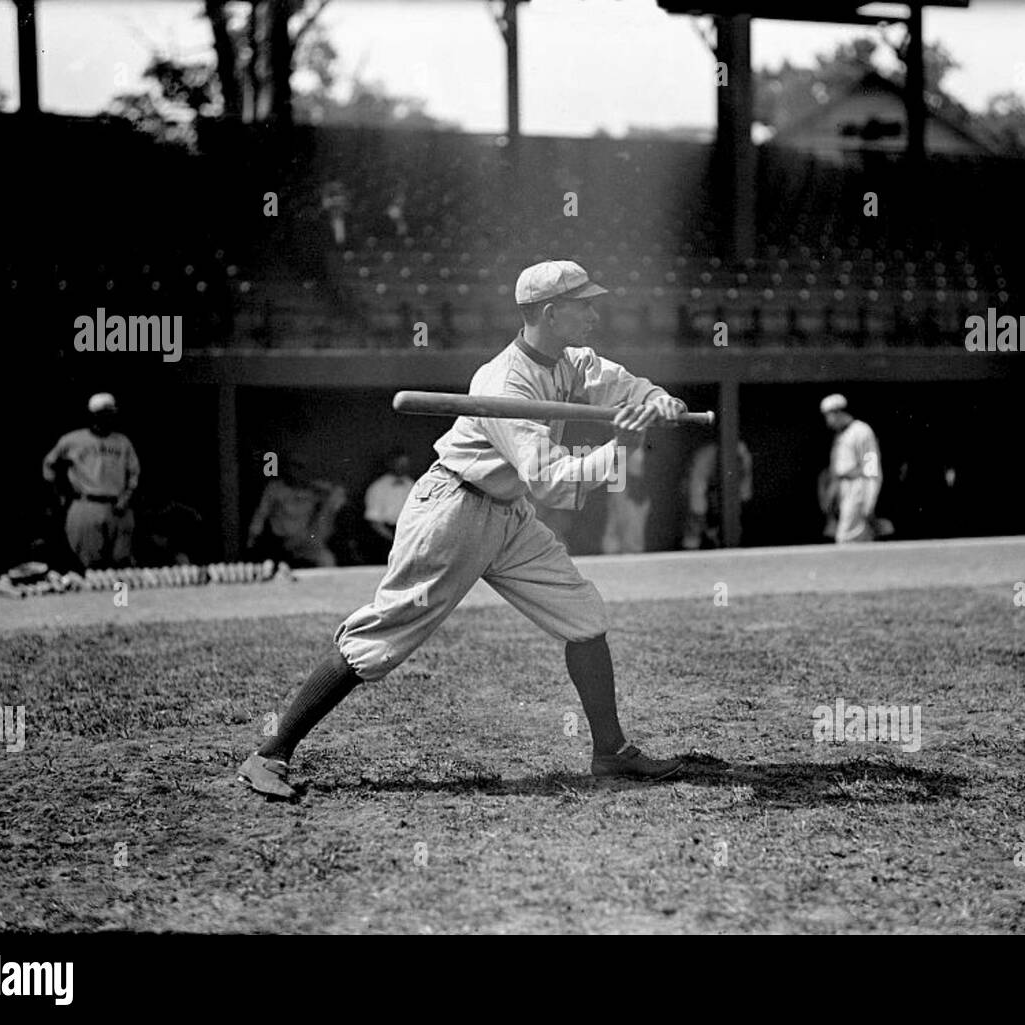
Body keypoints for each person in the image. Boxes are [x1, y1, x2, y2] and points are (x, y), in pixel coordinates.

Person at [238, 260, 691, 799]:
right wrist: (620, 447)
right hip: (454, 508)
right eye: (584, 305)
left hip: (507, 514)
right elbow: (549, 482)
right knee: (382, 637)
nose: (595, 313)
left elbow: (633, 390)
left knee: (585, 616)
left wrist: (659, 403)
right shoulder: (504, 381)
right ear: (551, 312)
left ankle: (610, 753)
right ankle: (270, 754)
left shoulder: (575, 362)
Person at [41, 393, 140, 569]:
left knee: (121, 562)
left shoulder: (123, 442)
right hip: (87, 504)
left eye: (110, 412)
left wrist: (127, 496)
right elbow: (49, 465)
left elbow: (134, 474)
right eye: (103, 413)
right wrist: (59, 494)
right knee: (88, 563)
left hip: (118, 506)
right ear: (93, 415)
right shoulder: (73, 439)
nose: (108, 417)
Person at [246, 455, 347, 568]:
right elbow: (261, 515)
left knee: (326, 559)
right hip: (281, 541)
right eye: (293, 468)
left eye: (301, 468)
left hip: (306, 541)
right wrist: (252, 540)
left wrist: (324, 490)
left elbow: (338, 498)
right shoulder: (275, 488)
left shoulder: (315, 489)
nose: (297, 472)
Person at [820, 393, 882, 543]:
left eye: (829, 416)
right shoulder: (841, 435)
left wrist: (870, 500)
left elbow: (871, 468)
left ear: (838, 412)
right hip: (843, 489)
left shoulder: (861, 431)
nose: (828, 421)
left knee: (846, 537)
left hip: (858, 488)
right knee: (859, 537)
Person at [681, 440, 752, 549]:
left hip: (719, 493)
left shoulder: (744, 459)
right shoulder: (704, 459)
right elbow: (696, 499)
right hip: (698, 488)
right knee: (694, 521)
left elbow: (744, 492)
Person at [362, 452, 415, 563]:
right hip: (385, 534)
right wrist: (392, 539)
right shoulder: (378, 487)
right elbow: (374, 521)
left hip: (408, 533)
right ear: (391, 464)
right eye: (399, 463)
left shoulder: (412, 485)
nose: (402, 467)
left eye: (405, 464)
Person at [601, 446, 651, 554]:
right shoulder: (618, 494)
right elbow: (612, 527)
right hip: (617, 552)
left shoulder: (642, 498)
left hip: (634, 552)